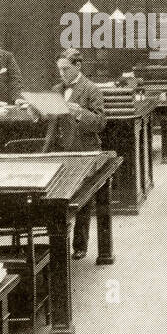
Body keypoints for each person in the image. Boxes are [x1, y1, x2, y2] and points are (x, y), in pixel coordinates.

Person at [53, 51, 106, 260]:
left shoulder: (91, 89)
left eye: (65, 69)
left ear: (78, 66)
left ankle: (80, 245)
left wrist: (79, 113)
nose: (61, 73)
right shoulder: (57, 90)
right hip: (61, 149)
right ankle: (59, 245)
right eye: (59, 69)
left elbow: (100, 122)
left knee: (82, 199)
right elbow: (52, 120)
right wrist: (37, 112)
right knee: (58, 198)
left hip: (84, 149)